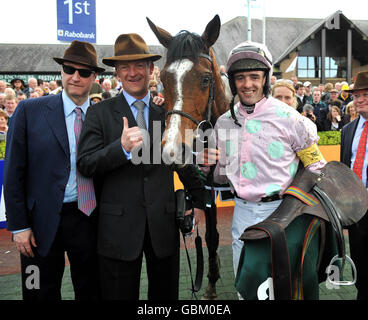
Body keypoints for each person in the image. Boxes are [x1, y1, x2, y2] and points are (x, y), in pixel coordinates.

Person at [76, 33, 206, 300]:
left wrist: (201, 200)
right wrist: (121, 149)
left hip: (164, 225)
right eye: (125, 67)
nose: (132, 72)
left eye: (139, 66)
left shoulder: (167, 113)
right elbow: (86, 164)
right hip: (118, 229)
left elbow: (180, 160)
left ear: (151, 70)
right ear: (117, 73)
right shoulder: (99, 113)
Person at [199, 40, 326, 298]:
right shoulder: (223, 123)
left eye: (254, 77)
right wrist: (208, 167)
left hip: (284, 213)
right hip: (242, 214)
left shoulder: (290, 118)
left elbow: (317, 166)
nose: (248, 84)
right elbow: (224, 175)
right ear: (232, 81)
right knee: (246, 289)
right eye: (241, 78)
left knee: (286, 289)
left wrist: (293, 205)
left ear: (266, 78)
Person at [3, 40, 105, 300]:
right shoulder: (28, 111)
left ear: (94, 77)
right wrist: (18, 226)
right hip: (38, 224)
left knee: (91, 291)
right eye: (69, 69)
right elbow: (14, 172)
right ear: (61, 72)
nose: (75, 77)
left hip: (87, 219)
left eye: (83, 72)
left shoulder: (102, 117)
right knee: (36, 290)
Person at [340, 70, 368, 300]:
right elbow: (343, 170)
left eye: (365, 94)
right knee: (359, 259)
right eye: (356, 95)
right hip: (356, 211)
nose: (359, 99)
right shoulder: (347, 130)